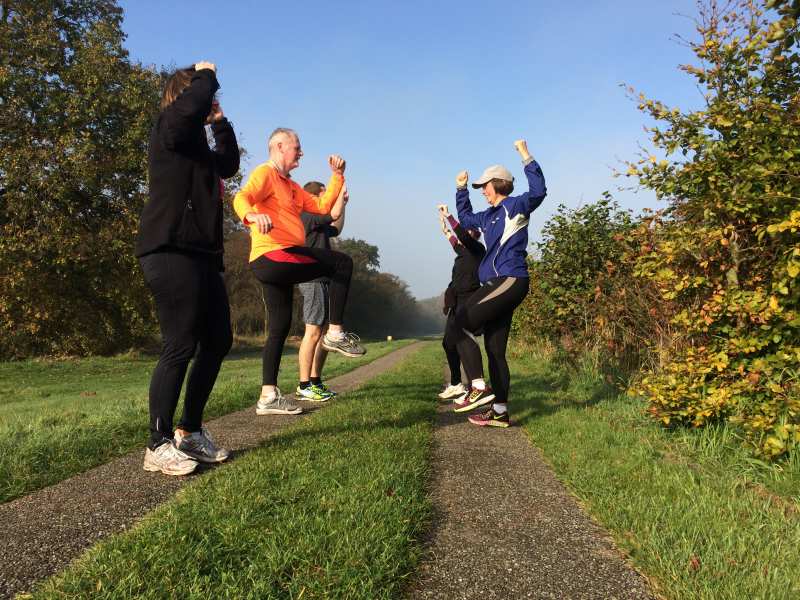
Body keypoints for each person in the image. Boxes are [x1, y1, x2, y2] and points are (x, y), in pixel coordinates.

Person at [135, 62, 240, 475]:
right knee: (180, 343)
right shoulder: (169, 130)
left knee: (217, 340)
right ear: (187, 95)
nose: (210, 100)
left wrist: (221, 122)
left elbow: (227, 164)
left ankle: (189, 432)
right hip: (168, 250)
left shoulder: (195, 147)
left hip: (200, 254)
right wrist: (207, 74)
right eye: (205, 95)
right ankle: (157, 443)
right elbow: (187, 109)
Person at [233, 128, 365, 417]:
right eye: (297, 147)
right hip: (273, 254)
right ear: (279, 147)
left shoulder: (292, 187)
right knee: (342, 263)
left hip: (277, 262)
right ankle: (335, 332)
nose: (301, 153)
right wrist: (251, 215)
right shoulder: (265, 173)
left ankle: (268, 395)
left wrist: (337, 176)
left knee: (279, 326)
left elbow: (322, 208)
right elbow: (242, 196)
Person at [450, 139, 546, 427]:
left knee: (459, 325)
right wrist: (461, 190)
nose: (483, 192)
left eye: (484, 187)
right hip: (497, 283)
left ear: (498, 184)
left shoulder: (516, 206)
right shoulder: (488, 215)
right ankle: (500, 412)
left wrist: (525, 154)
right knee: (494, 349)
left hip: (510, 279)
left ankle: (479, 387)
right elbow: (466, 218)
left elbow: (539, 191)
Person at [295, 181, 349, 402]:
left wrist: (342, 203)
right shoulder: (307, 215)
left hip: (322, 279)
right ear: (315, 196)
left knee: (324, 333)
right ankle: (304, 385)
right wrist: (338, 200)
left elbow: (336, 228)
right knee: (313, 332)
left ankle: (315, 381)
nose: (327, 199)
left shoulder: (316, 220)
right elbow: (331, 213)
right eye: (325, 195)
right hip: (312, 278)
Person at [436, 204, 485, 401]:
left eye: (467, 231)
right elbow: (455, 240)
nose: (463, 235)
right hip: (456, 304)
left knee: (463, 343)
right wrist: (445, 229)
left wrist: (449, 216)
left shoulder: (477, 249)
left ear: (473, 234)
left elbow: (461, 237)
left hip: (469, 302)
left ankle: (476, 385)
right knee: (448, 343)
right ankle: (456, 384)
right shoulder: (462, 251)